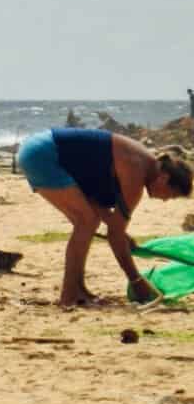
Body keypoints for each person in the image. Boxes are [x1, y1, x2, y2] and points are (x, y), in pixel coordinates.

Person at [15, 127, 192, 308]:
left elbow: (100, 208)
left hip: (40, 149)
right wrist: (136, 281)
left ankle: (79, 290)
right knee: (86, 221)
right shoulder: (136, 172)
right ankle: (69, 295)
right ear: (163, 178)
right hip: (44, 154)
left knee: (87, 220)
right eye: (171, 194)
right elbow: (114, 233)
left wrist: (121, 234)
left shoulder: (143, 163)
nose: (165, 200)